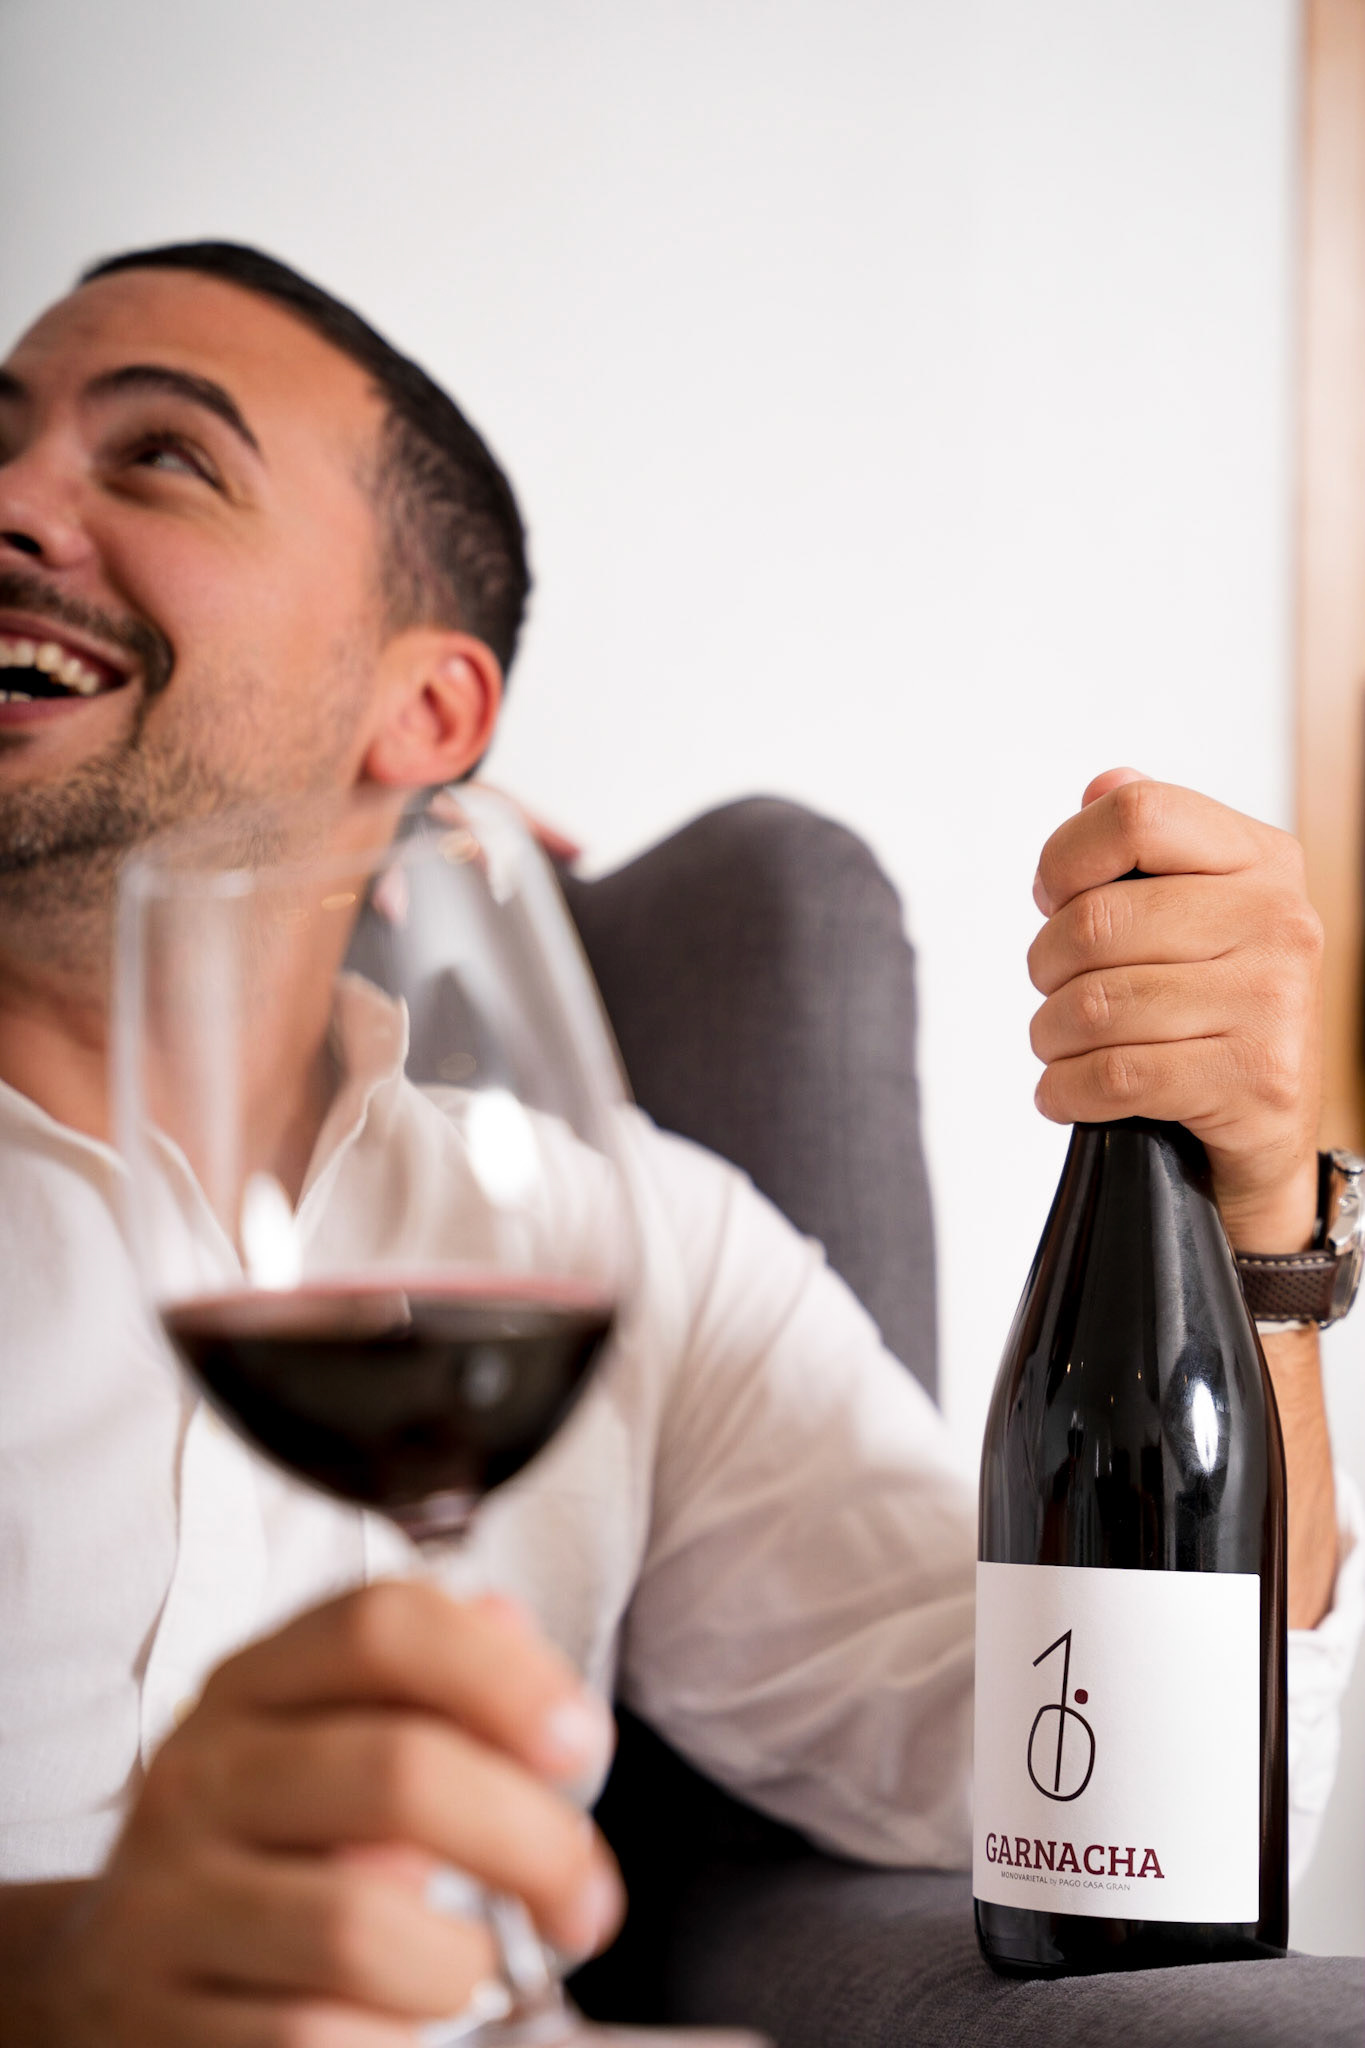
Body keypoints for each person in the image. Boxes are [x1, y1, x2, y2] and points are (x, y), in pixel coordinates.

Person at [0, 243, 1358, 2045]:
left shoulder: (631, 1237)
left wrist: (1256, 1231)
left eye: (161, 457)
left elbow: (1109, 1791)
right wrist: (63, 1977)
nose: (15, 503)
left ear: (427, 716)